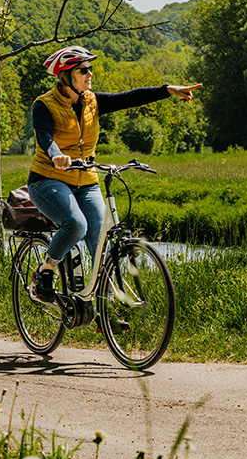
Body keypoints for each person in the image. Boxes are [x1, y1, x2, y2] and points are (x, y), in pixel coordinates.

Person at [27, 46, 200, 302]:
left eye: (90, 69)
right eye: (83, 70)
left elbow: (129, 97)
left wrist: (168, 90)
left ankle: (104, 312)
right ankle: (46, 270)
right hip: (48, 179)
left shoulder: (92, 102)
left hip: (86, 180)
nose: (90, 74)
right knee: (76, 224)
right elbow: (44, 136)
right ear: (66, 75)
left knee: (101, 244)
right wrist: (56, 156)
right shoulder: (44, 105)